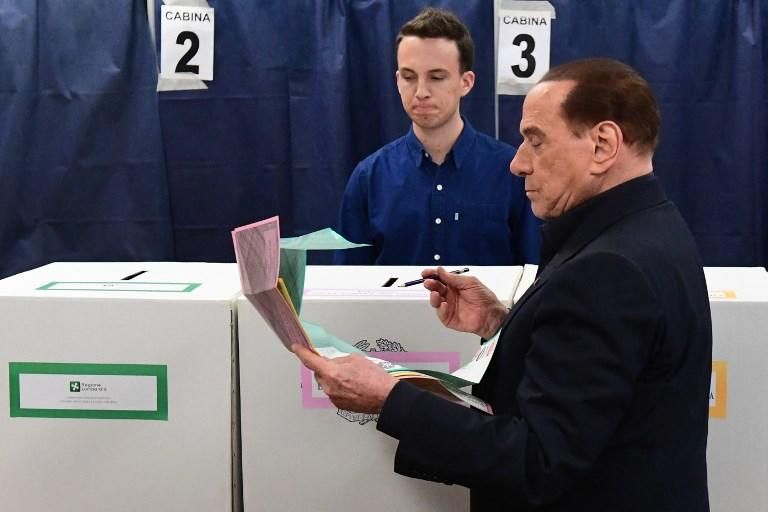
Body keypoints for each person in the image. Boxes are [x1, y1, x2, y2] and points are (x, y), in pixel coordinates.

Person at [295, 58, 712, 511]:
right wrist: (502, 327)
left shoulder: (607, 270)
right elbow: (602, 385)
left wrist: (390, 399)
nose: (518, 163)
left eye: (536, 141)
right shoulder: (652, 225)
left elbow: (537, 463)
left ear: (603, 144)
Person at [335, 7, 540, 265]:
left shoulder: (511, 171)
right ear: (398, 80)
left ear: (466, 82)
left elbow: (534, 274)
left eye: (436, 77)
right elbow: (347, 284)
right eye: (409, 77)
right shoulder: (369, 179)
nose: (421, 91)